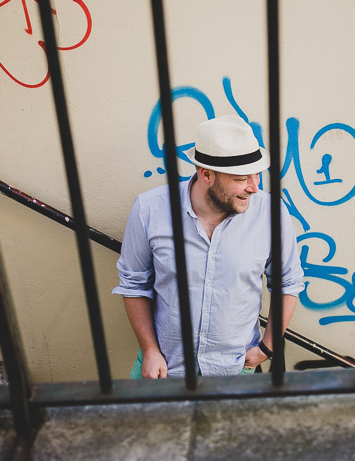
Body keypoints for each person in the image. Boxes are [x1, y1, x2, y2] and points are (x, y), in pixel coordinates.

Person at [113, 115, 305, 378]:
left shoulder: (270, 213)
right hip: (164, 370)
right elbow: (134, 285)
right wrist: (150, 350)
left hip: (237, 372)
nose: (255, 187)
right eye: (241, 178)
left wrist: (266, 348)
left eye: (257, 175)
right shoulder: (150, 209)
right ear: (207, 175)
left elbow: (288, 283)